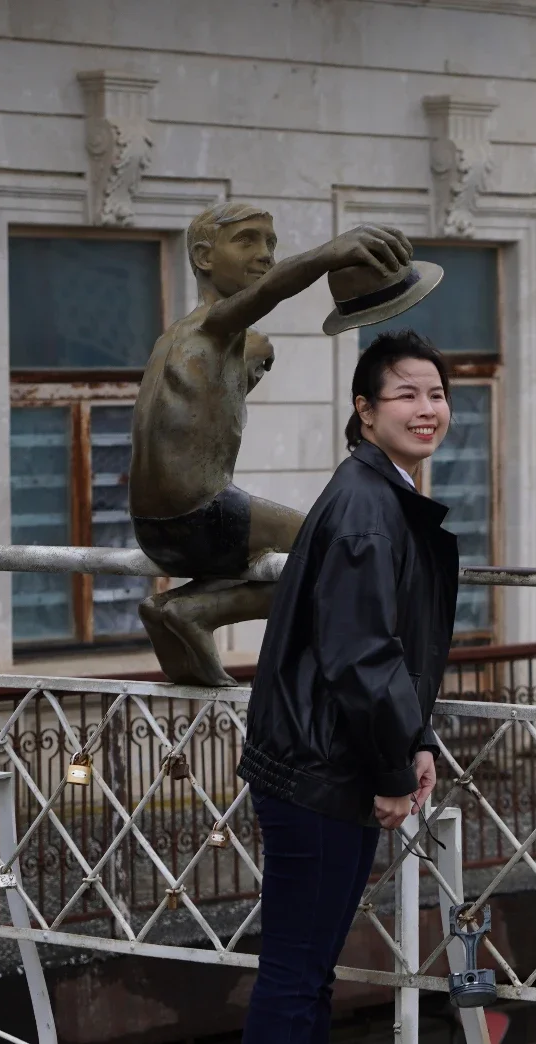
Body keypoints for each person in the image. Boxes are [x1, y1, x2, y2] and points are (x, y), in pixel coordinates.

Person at [229, 330, 460, 1044]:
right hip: (321, 769)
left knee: (301, 967)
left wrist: (410, 740)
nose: (427, 407)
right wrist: (397, 764)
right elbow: (364, 654)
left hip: (309, 762)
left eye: (436, 392)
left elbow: (377, 649)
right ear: (365, 412)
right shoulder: (369, 505)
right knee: (298, 971)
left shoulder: (375, 495)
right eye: (405, 394)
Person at [128, 200, 434, 687]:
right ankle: (194, 610)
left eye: (270, 243)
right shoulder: (210, 325)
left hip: (153, 529)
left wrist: (248, 364)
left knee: (312, 557)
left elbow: (197, 414)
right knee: (340, 556)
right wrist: (327, 256)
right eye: (246, 240)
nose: (265, 254)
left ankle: (177, 610)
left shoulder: (177, 341)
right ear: (204, 257)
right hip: (200, 515)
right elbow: (267, 293)